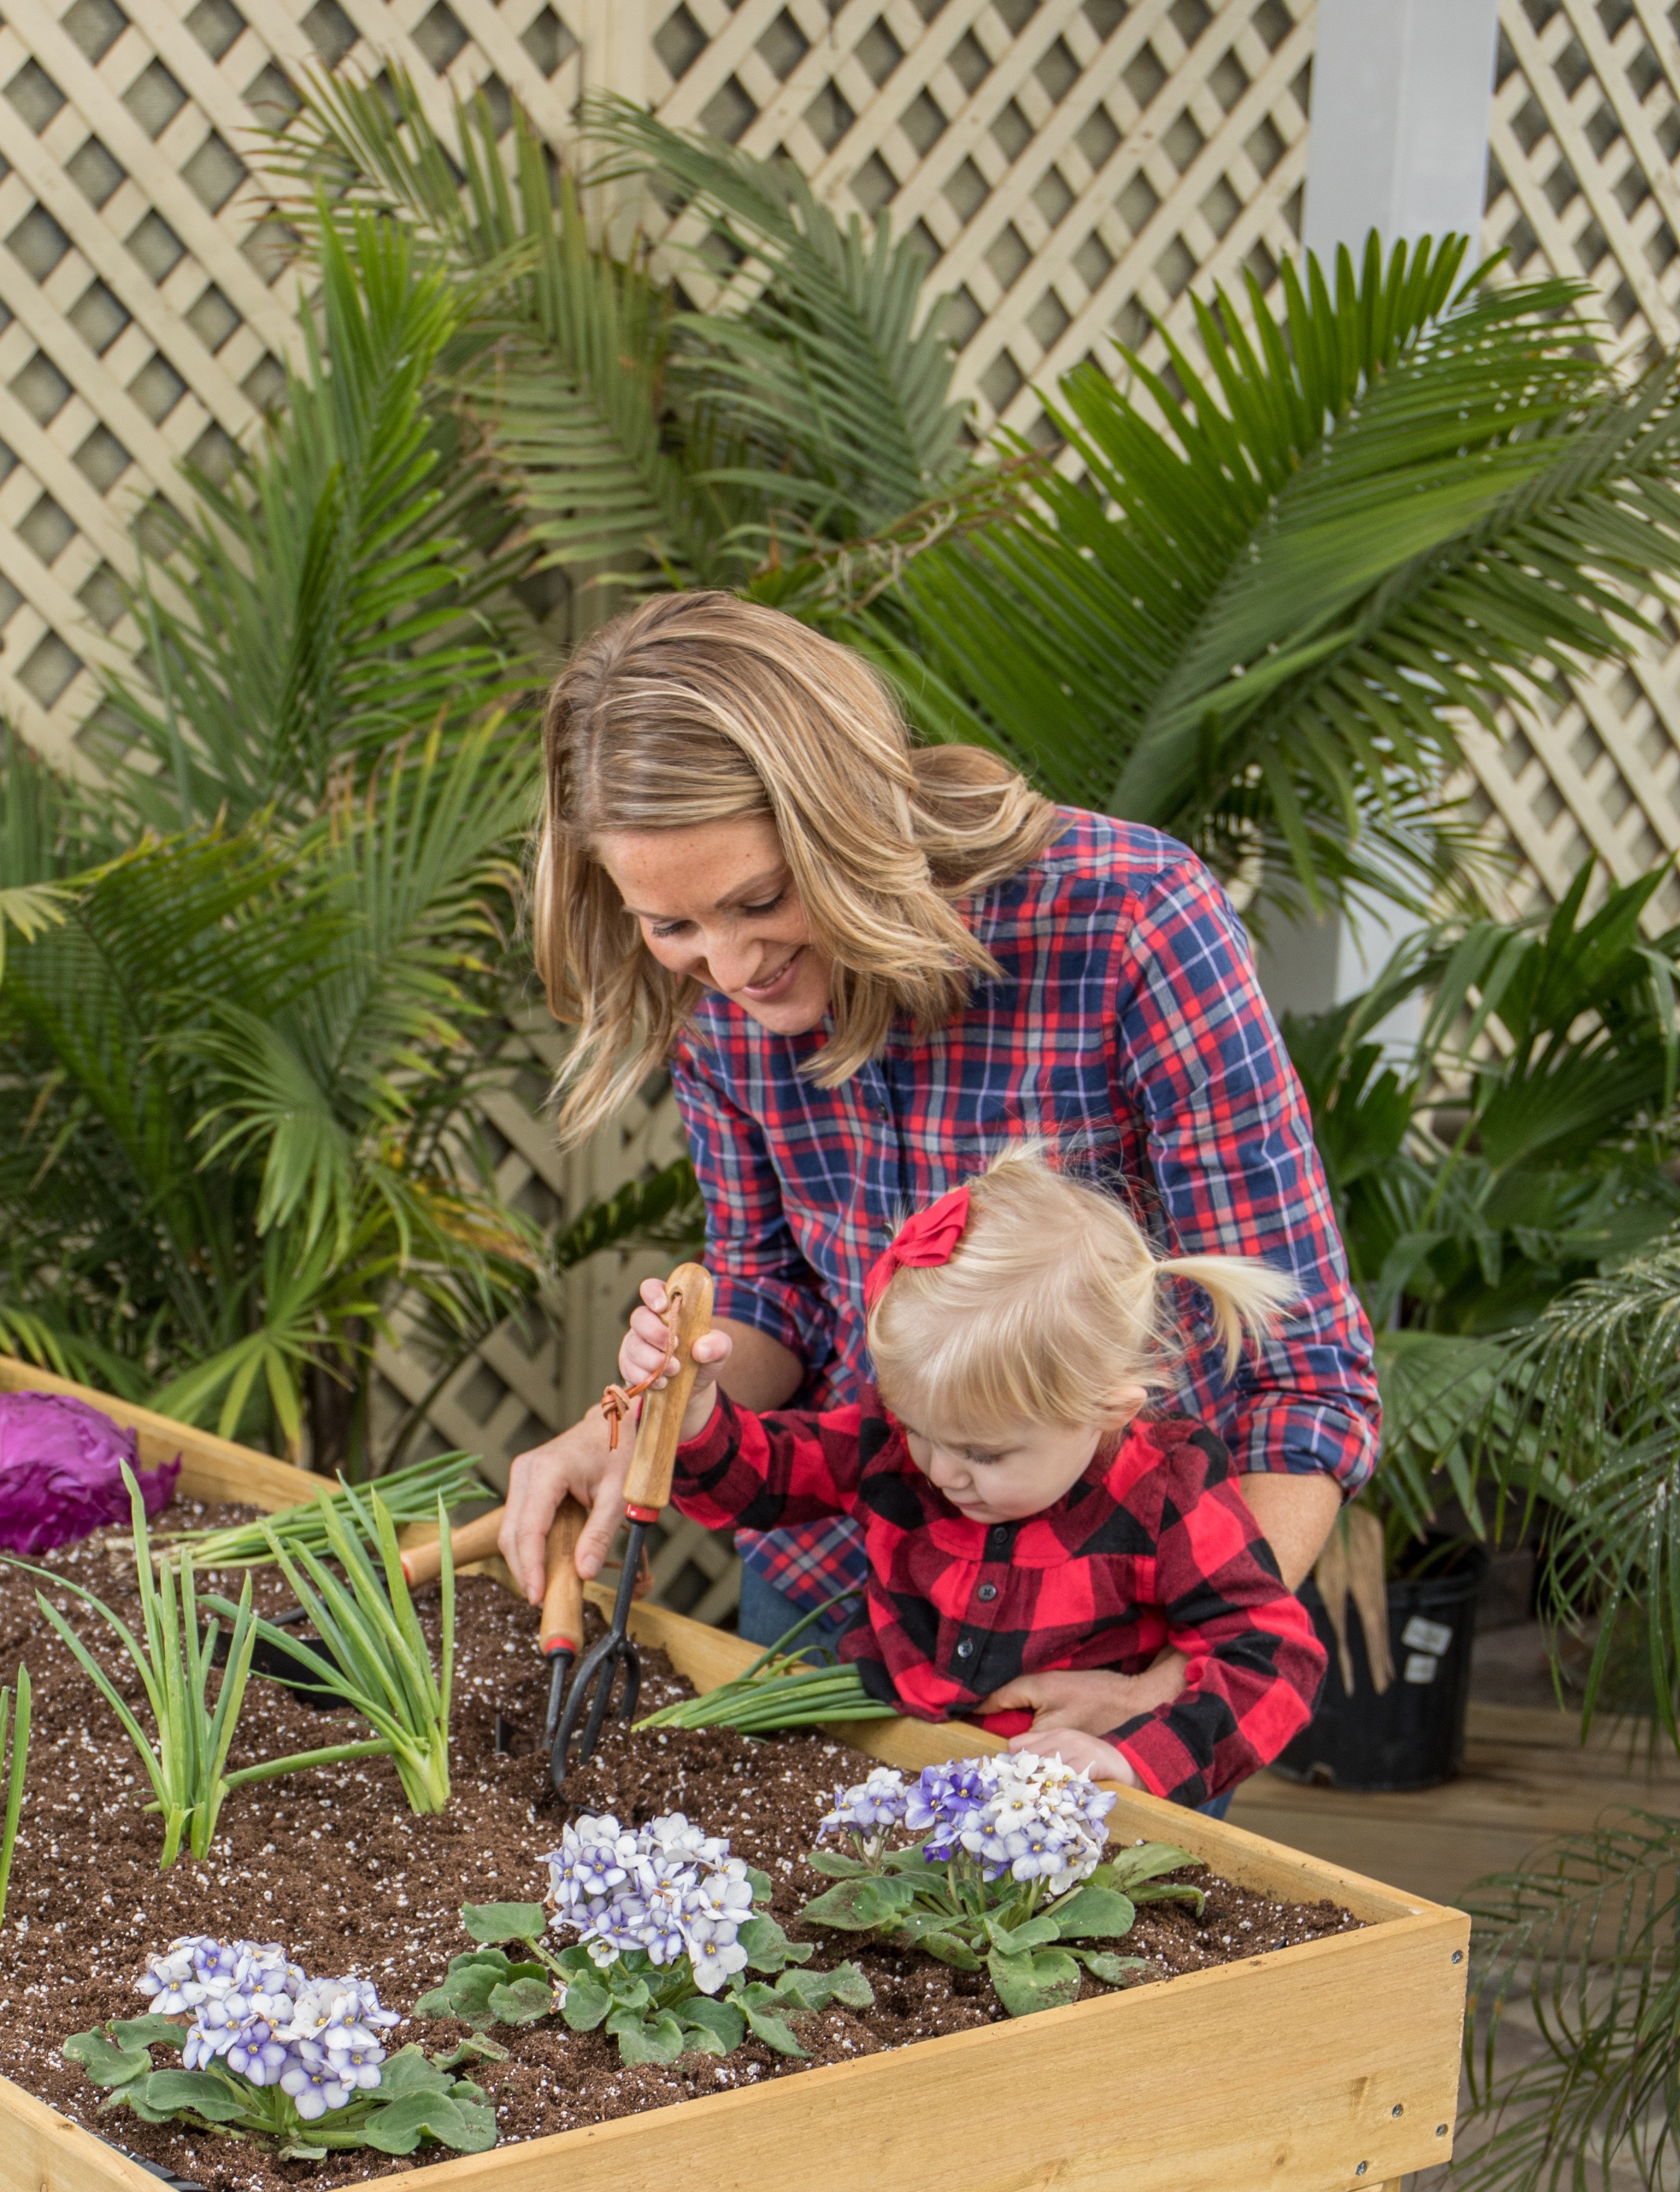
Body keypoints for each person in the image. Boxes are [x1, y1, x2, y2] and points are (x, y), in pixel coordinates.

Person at [504, 595, 1379, 1756]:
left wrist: (1183, 1678)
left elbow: (1304, 1376)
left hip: (1109, 1636)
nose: (729, 967)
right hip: (842, 1590)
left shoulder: (1129, 921)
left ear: (849, 817)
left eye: (761, 901)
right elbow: (772, 1307)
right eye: (671, 927)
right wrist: (645, 1411)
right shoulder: (716, 997)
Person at [617, 1144, 1328, 1804]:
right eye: (919, 1431)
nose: (940, 1471)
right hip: (903, 1760)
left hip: (1071, 1810)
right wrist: (693, 1407)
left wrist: (1137, 1760)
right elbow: (761, 1478)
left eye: (983, 1455)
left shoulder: (1164, 1495)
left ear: (1106, 1409)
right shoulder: (899, 1445)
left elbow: (1275, 1658)